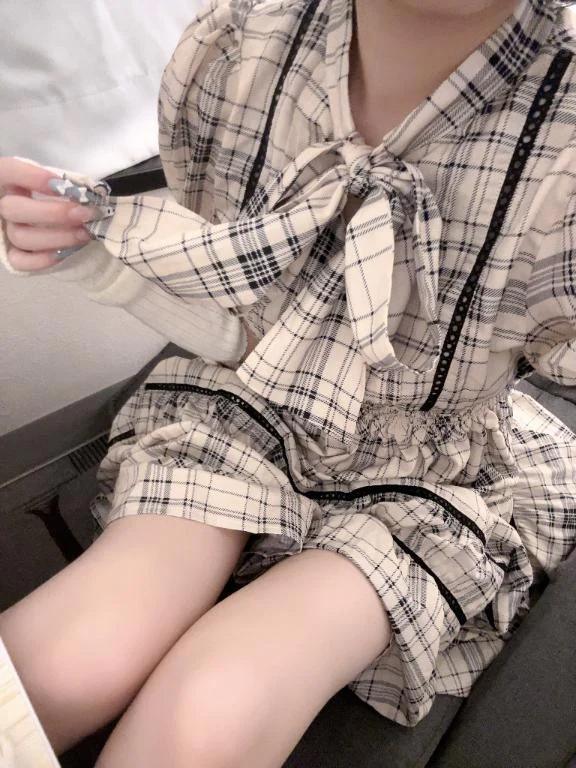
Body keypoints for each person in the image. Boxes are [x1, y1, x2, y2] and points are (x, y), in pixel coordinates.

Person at [1, 0, 576, 765]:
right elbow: (246, 328)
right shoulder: (241, 48)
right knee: (70, 657)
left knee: (214, 705)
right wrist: (99, 259)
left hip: (431, 477)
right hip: (245, 412)